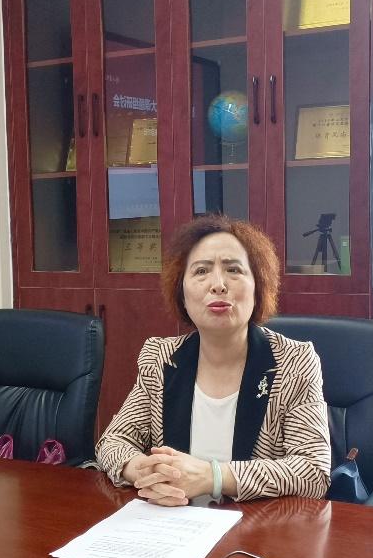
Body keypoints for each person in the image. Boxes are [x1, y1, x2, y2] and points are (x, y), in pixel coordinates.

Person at [95, 214, 331, 505]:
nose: (218, 284)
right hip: (174, 523)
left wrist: (213, 477)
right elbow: (113, 441)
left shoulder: (294, 361)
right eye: (201, 271)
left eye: (233, 270)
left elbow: (313, 470)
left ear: (258, 286)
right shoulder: (161, 358)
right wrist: (144, 470)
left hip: (256, 526)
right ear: (181, 292)